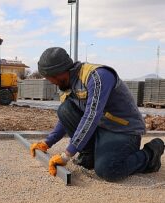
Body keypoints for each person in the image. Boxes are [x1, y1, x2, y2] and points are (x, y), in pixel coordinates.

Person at [30, 47, 164, 181]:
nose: (51, 82)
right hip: (101, 127)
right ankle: (89, 156)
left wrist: (67, 154)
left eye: (50, 78)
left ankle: (150, 154)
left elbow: (91, 115)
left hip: (123, 130)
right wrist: (47, 142)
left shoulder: (98, 77)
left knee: (108, 170)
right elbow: (65, 118)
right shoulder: (68, 84)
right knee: (64, 109)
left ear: (59, 72)